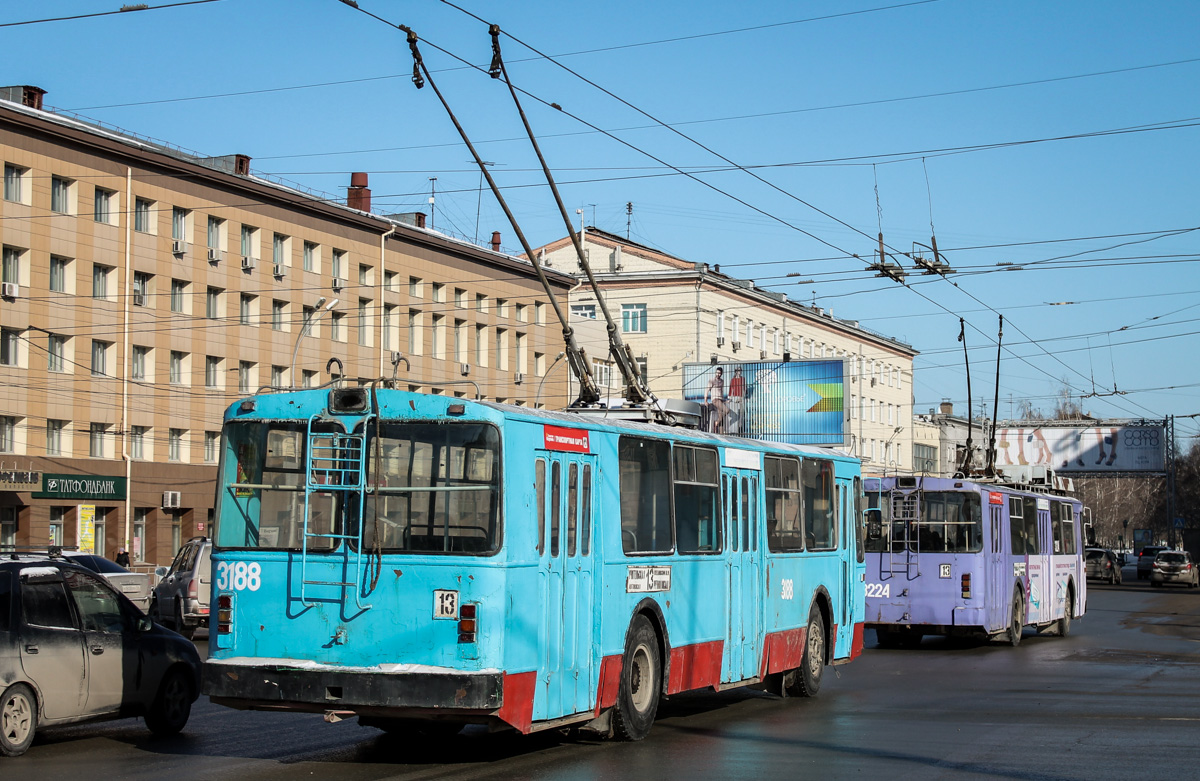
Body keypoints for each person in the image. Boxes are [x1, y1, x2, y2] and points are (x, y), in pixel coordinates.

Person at [705, 367, 729, 433]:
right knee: (727, 410)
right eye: (717, 373)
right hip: (715, 400)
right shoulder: (712, 380)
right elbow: (707, 390)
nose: (718, 374)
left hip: (720, 400)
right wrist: (705, 401)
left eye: (719, 373)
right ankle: (716, 422)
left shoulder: (722, 381)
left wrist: (724, 400)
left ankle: (721, 435)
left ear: (721, 374)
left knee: (721, 418)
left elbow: (721, 392)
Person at [728, 367, 746, 435]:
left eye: (740, 370)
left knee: (741, 414)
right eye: (738, 371)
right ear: (736, 371)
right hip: (735, 397)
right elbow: (731, 389)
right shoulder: (733, 380)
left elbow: (744, 389)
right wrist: (730, 398)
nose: (739, 372)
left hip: (741, 397)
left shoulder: (743, 379)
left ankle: (740, 428)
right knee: (735, 413)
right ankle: (734, 430)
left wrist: (743, 397)